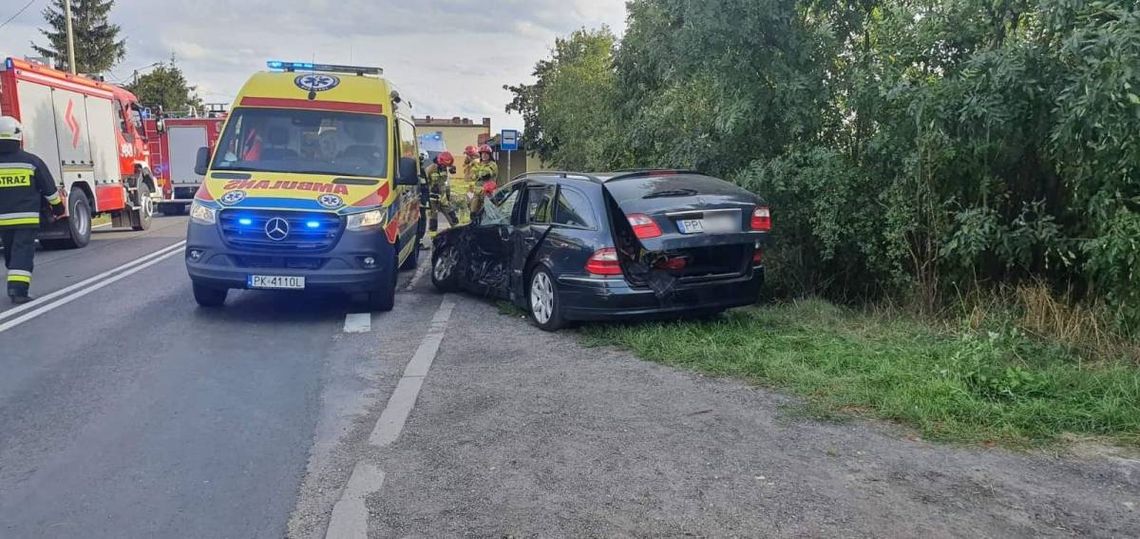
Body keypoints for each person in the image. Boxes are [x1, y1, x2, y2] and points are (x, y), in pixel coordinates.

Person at [0, 116, 66, 304]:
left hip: (2, 220)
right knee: (22, 253)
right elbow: (49, 189)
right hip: (25, 219)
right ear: (18, 137)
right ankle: (18, 291)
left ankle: (15, 280)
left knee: (12, 252)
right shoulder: (31, 161)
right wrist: (58, 207)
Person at [424, 151, 459, 234]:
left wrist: (448, 194)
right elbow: (425, 182)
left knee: (451, 215)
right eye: (444, 165)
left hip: (443, 197)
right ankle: (433, 236)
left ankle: (458, 232)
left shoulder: (445, 168)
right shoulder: (431, 168)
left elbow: (446, 181)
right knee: (433, 218)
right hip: (433, 197)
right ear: (440, 162)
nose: (445, 167)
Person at [468, 144, 499, 216]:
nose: (484, 155)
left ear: (490, 155)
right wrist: (476, 173)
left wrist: (477, 173)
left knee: (488, 213)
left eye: (486, 154)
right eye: (483, 153)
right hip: (477, 193)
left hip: (488, 193)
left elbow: (486, 174)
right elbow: (471, 176)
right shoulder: (478, 164)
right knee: (473, 213)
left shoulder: (493, 164)